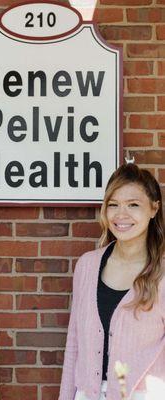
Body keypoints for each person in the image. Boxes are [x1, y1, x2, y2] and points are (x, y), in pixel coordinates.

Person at [59, 163, 165, 400]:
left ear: (153, 208)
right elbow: (74, 343)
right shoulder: (87, 265)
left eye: (133, 205)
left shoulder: (162, 272)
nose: (121, 214)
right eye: (113, 205)